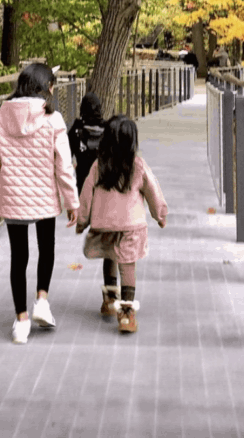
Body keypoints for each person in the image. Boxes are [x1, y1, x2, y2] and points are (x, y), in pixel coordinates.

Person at [0, 63, 79, 344]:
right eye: (52, 85)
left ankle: (21, 321)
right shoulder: (53, 119)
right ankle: (42, 301)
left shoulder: (1, 118)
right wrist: (72, 201)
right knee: (46, 248)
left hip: (13, 197)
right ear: (46, 87)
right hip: (44, 196)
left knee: (19, 257)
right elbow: (63, 166)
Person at [75, 115, 167, 334]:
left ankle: (109, 299)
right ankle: (126, 313)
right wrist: (160, 214)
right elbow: (153, 190)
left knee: (110, 255)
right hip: (131, 226)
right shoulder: (138, 165)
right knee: (127, 264)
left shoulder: (98, 165)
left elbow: (86, 195)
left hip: (104, 224)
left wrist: (81, 221)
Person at [67, 92, 106, 195]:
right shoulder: (108, 129)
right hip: (103, 181)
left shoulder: (76, 130)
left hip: (82, 181)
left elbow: (67, 156)